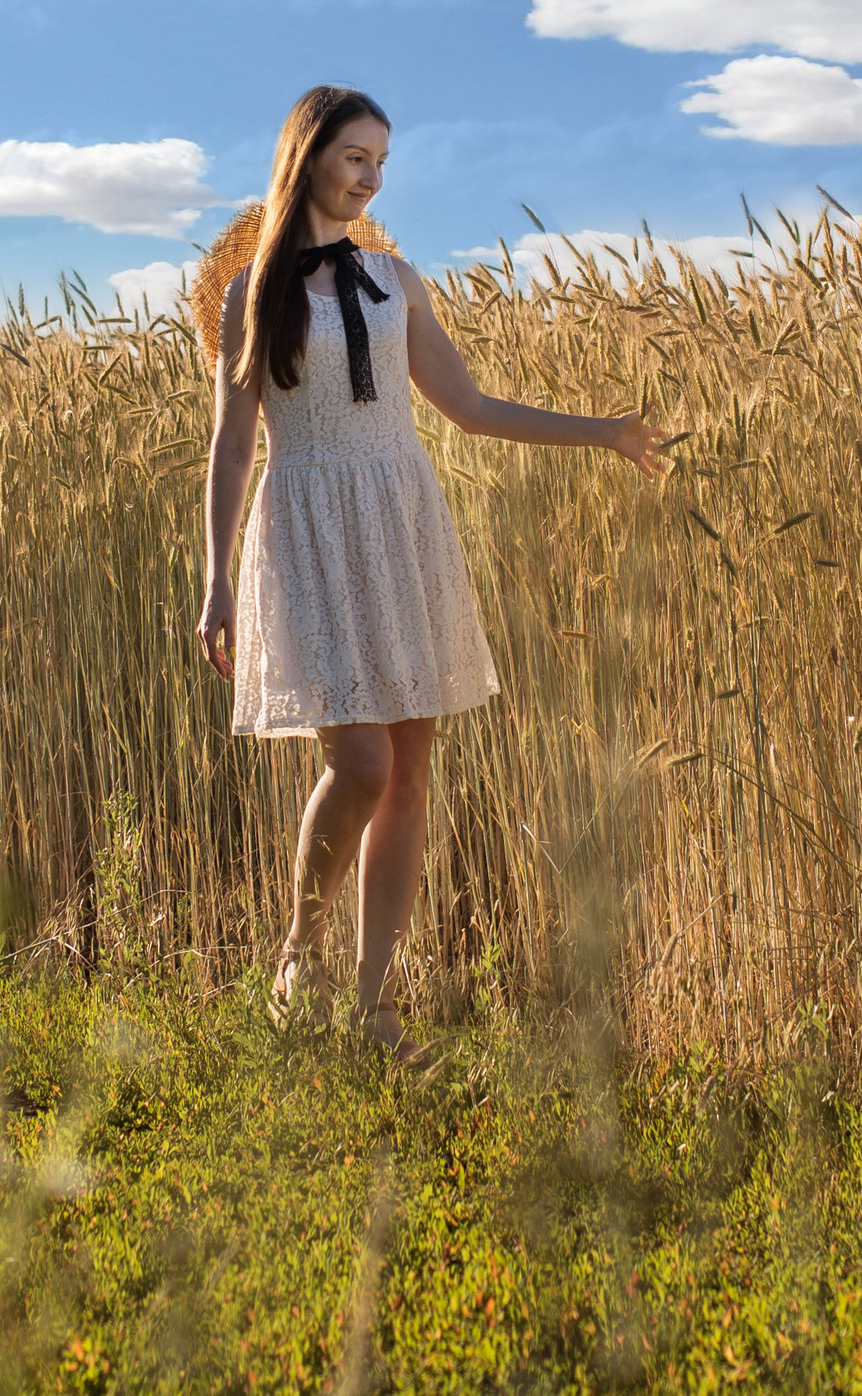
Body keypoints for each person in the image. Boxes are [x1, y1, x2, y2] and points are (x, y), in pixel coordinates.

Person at [195, 85, 666, 1063]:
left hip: (401, 523)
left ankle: (371, 1007)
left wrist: (603, 432)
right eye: (355, 156)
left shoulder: (395, 280)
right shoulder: (252, 293)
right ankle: (299, 955)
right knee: (361, 763)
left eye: (381, 162)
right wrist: (215, 578)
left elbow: (471, 407)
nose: (371, 176)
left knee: (410, 772)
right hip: (308, 525)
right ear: (308, 155)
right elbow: (233, 445)